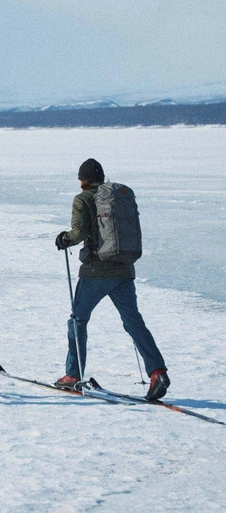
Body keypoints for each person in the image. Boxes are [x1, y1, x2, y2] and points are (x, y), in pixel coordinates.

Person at [54, 158, 170, 400]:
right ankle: (157, 371)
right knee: (133, 322)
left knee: (78, 321)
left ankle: (73, 375)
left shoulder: (83, 199)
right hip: (124, 271)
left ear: (82, 180)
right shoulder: (118, 198)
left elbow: (79, 233)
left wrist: (64, 238)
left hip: (96, 272)